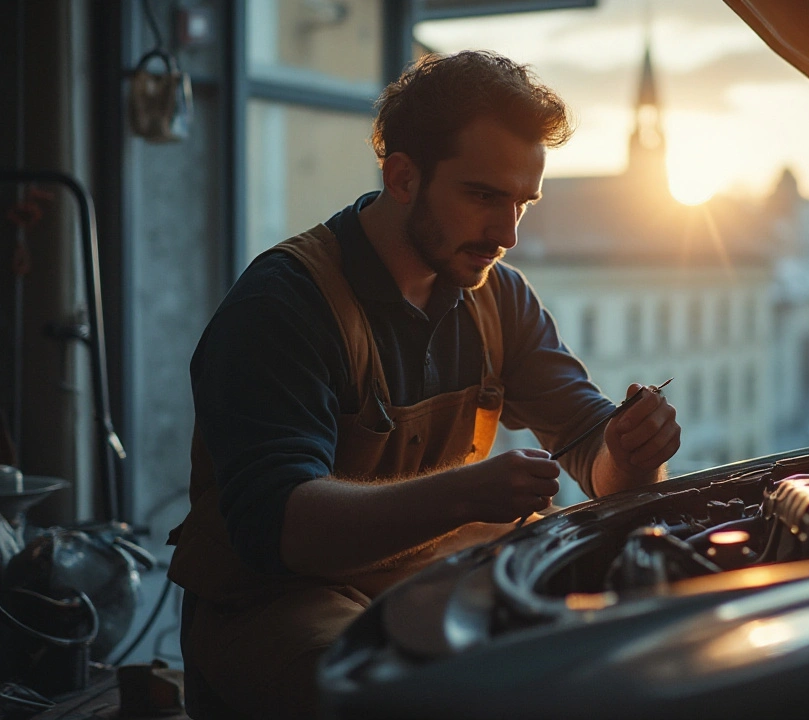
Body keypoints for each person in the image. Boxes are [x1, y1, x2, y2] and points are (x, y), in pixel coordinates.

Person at [166, 50, 681, 719]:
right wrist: (466, 493)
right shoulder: (284, 305)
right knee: (400, 699)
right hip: (279, 600)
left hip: (435, 582)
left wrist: (632, 452)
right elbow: (281, 531)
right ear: (402, 176)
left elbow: (592, 455)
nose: (508, 234)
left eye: (523, 202)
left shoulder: (500, 298)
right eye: (484, 196)